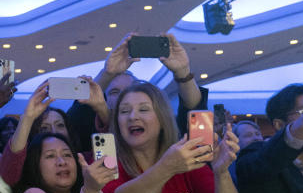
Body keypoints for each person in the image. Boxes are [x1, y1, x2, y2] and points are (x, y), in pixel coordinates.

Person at [98, 81, 242, 193]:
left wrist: (221, 172)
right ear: (117, 122)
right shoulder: (106, 162)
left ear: (162, 119)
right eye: (124, 111)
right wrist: (167, 167)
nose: (133, 117)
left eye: (143, 109)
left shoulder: (188, 162)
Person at [66, 33, 206, 154]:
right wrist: (107, 74)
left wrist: (183, 72)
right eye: (115, 92)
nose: (124, 96)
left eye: (143, 108)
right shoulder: (101, 146)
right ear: (104, 99)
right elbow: (77, 119)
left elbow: (196, 117)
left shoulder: (175, 148)